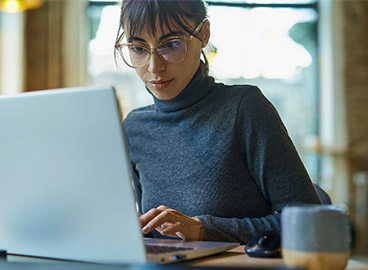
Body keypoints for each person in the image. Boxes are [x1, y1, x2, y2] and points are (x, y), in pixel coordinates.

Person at [115, 0, 321, 244]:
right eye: (138, 48)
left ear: (203, 34)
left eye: (171, 44)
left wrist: (206, 229)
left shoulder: (244, 108)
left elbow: (312, 221)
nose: (154, 66)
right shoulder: (134, 128)